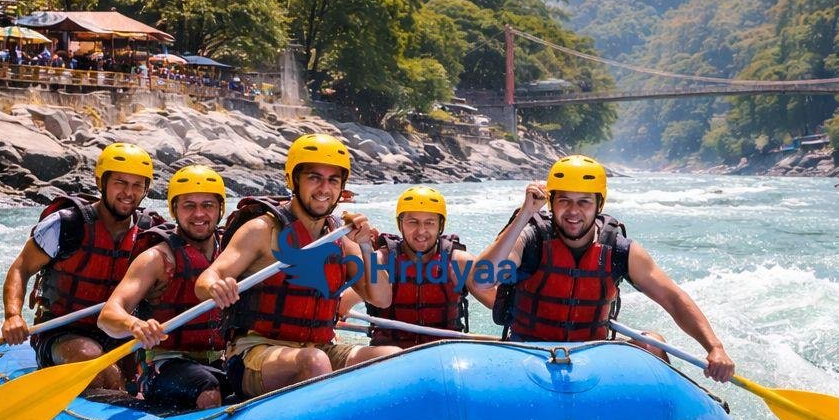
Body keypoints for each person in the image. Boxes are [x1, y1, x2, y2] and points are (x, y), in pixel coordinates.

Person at [475, 155, 735, 381]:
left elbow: (673, 298)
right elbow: (481, 280)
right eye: (564, 200)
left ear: (599, 205)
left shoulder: (619, 249)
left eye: (584, 202)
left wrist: (714, 347)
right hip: (529, 354)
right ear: (551, 203)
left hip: (592, 359)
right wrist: (523, 216)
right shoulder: (530, 239)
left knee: (652, 343)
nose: (573, 211)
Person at [196, 133, 396, 399]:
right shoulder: (262, 230)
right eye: (314, 178)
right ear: (293, 180)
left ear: (342, 189)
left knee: (392, 358)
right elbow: (205, 281)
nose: (324, 189)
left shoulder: (338, 237)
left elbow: (381, 299)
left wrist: (366, 246)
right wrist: (216, 286)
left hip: (319, 348)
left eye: (333, 180)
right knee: (313, 363)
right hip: (255, 354)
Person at [1, 143, 167, 391]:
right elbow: (21, 268)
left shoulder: (149, 233)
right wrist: (13, 316)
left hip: (121, 332)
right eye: (120, 182)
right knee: (90, 357)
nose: (128, 192)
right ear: (101, 182)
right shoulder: (67, 224)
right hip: (62, 333)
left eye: (137, 185)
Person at [98, 165, 231, 411]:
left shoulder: (231, 254)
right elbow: (108, 315)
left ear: (221, 209)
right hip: (165, 365)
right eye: (188, 205)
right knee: (207, 389)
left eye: (208, 205)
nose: (199, 214)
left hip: (220, 361)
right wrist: (133, 325)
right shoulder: (156, 259)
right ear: (173, 210)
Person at [362, 186, 496, 347]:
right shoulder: (381, 260)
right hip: (391, 358)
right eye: (413, 222)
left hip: (445, 355)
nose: (421, 231)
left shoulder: (459, 262)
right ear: (400, 225)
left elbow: (499, 305)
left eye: (430, 223)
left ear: (440, 226)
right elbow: (345, 302)